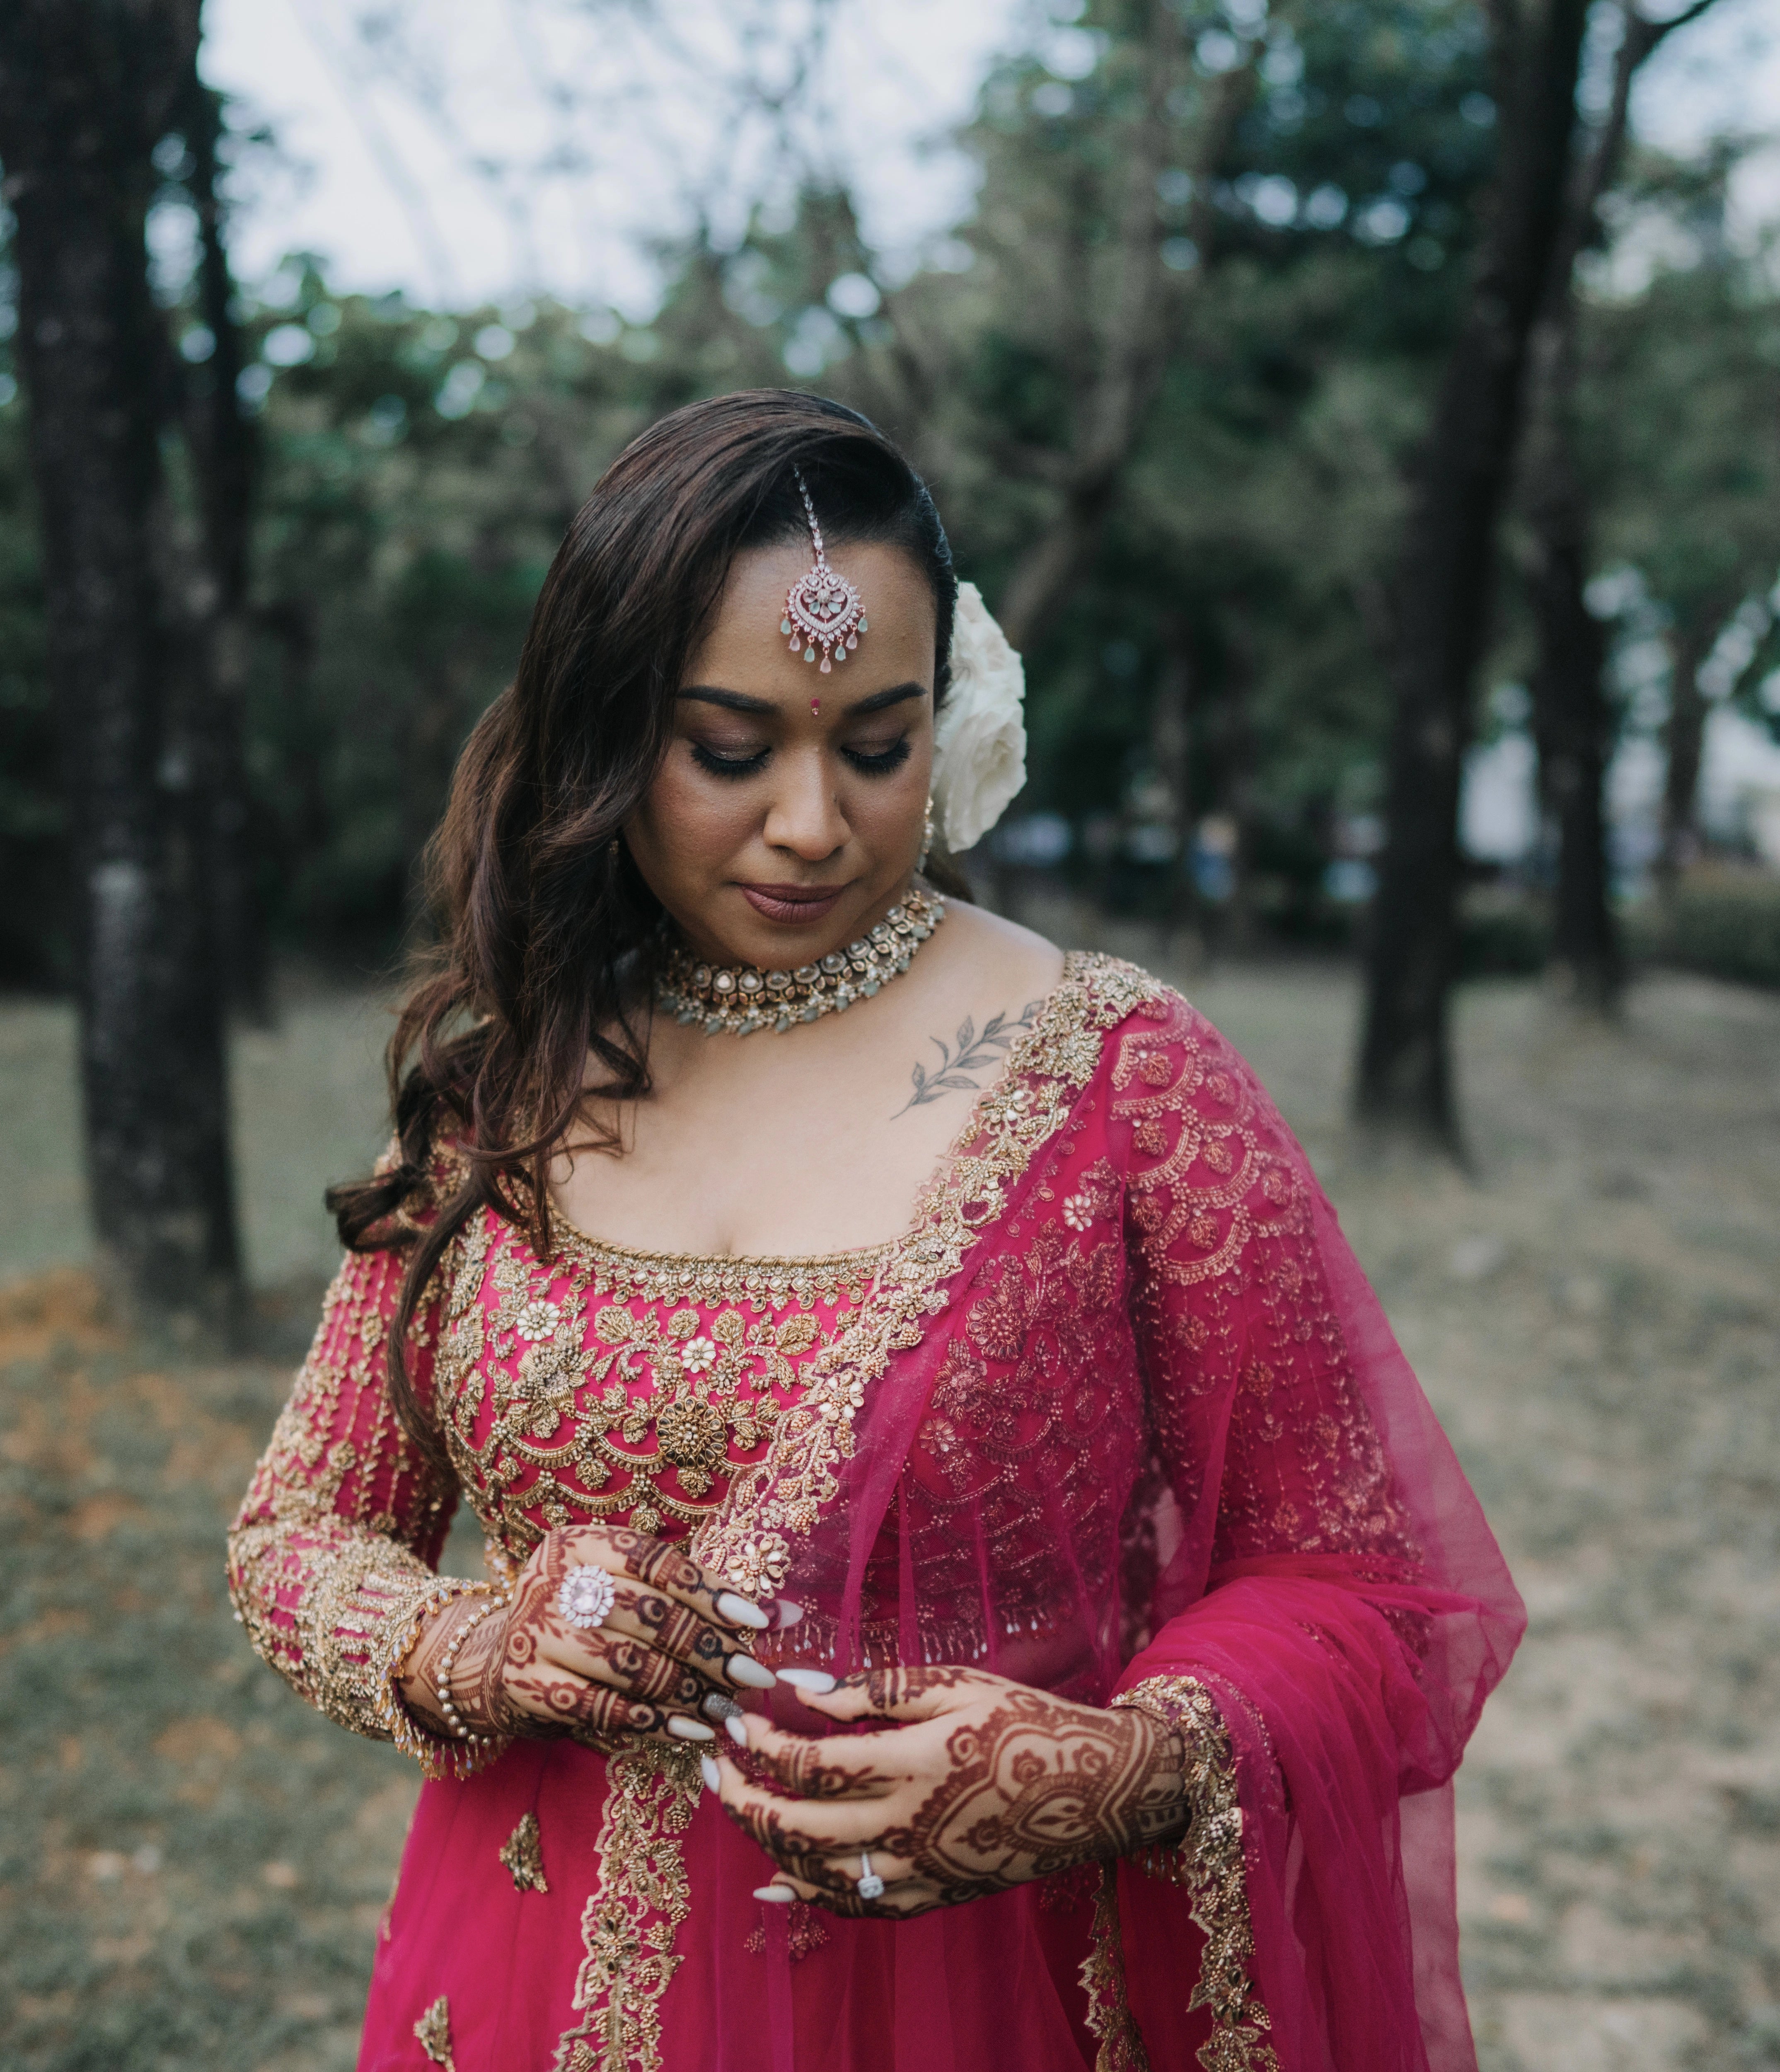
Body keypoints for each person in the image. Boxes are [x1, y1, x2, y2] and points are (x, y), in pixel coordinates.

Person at [226, 390, 1522, 2072]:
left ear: (948, 716)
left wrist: (1115, 1761)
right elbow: (297, 1532)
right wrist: (481, 1638)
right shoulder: (508, 1089)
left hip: (978, 1991)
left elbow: (1362, 1581)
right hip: (527, 1978)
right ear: (610, 731)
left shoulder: (1117, 1078)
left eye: (872, 741)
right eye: (728, 745)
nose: (811, 823)